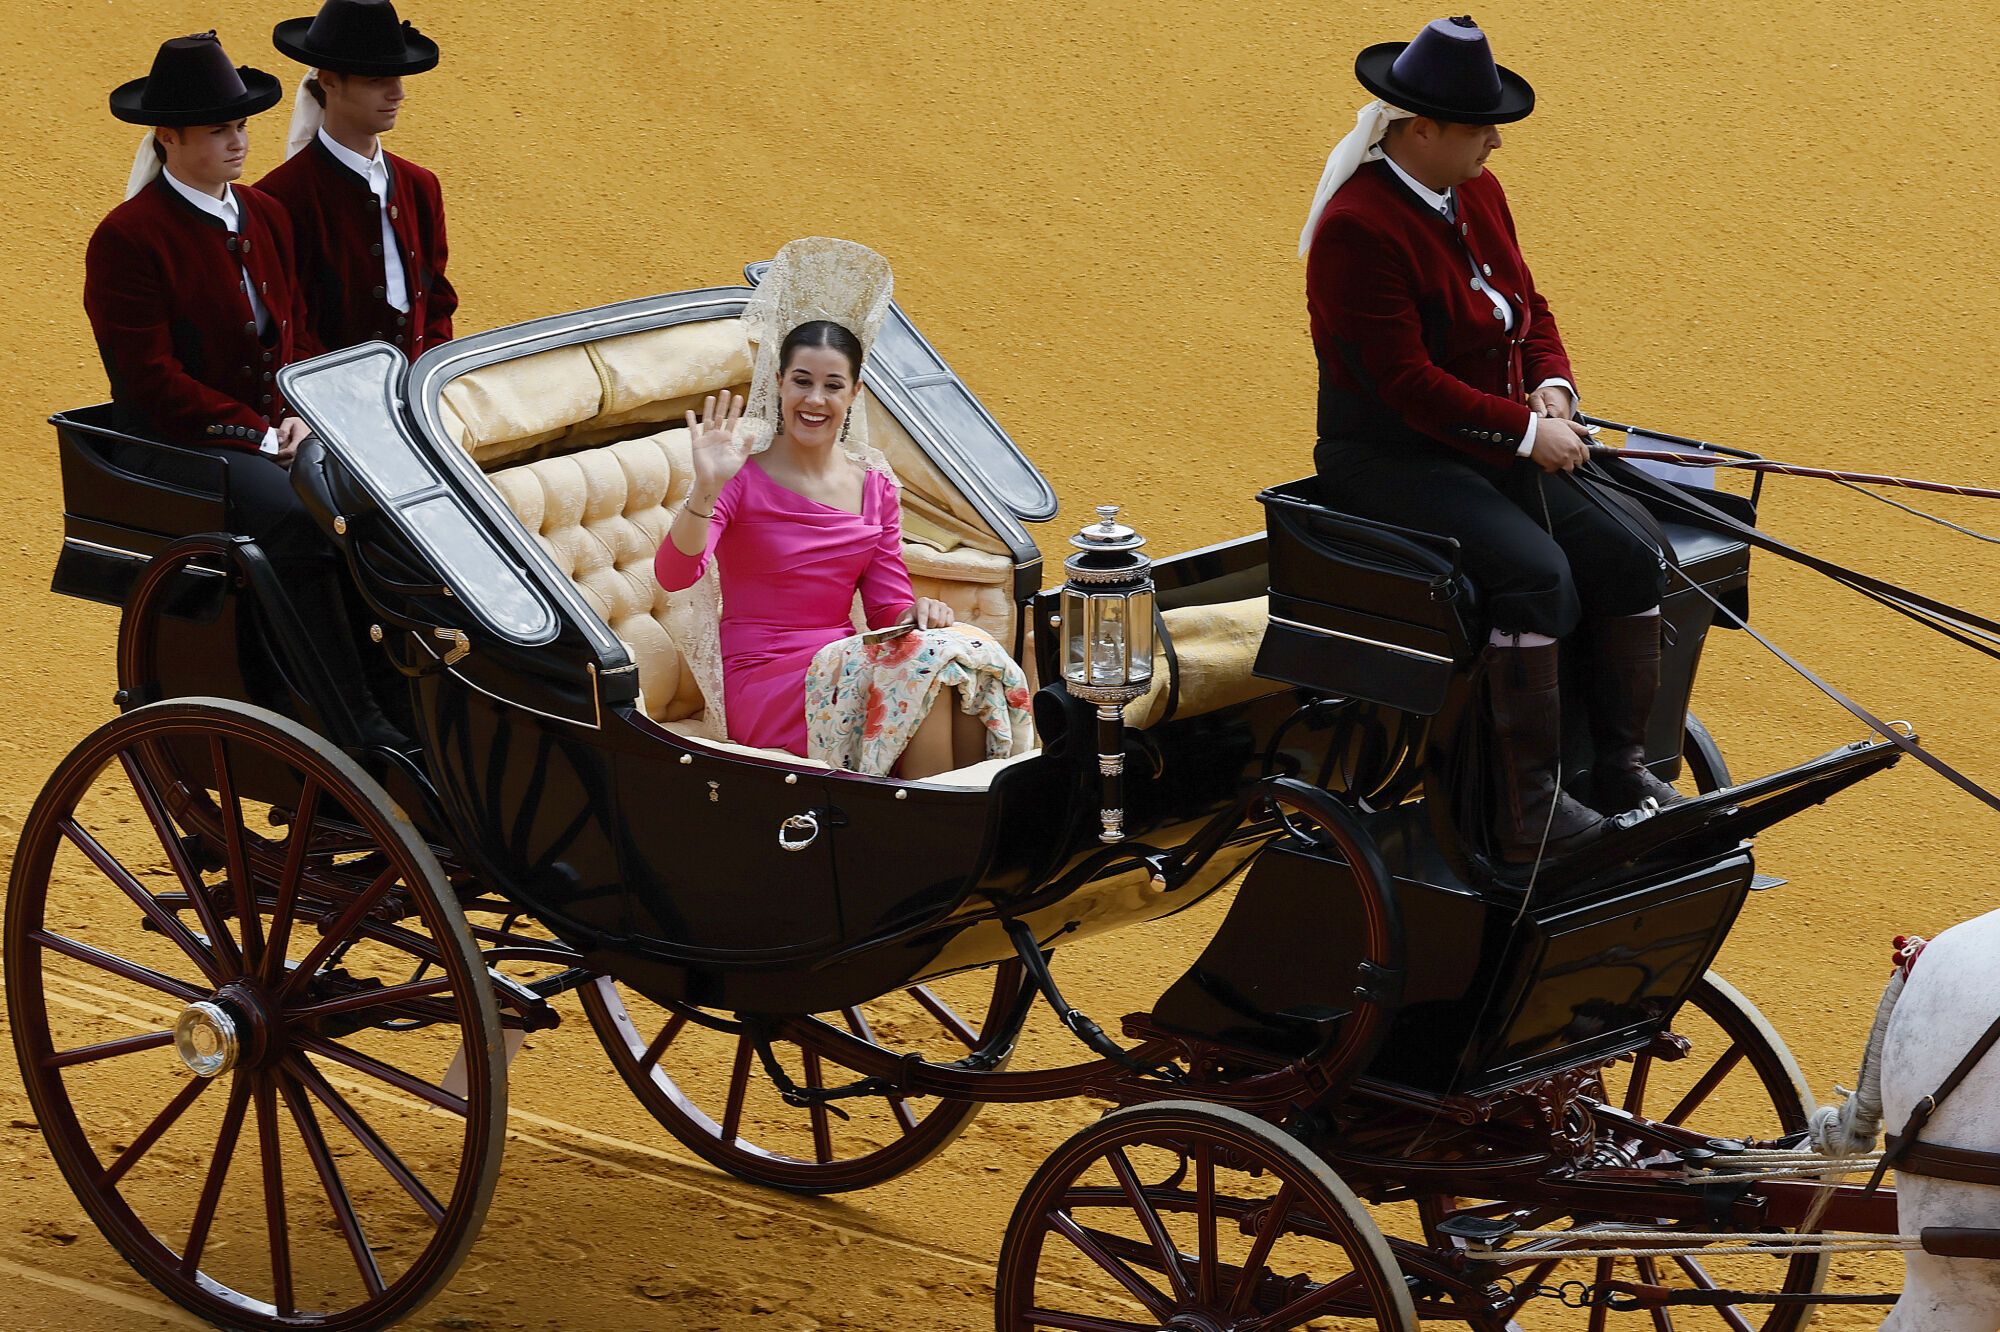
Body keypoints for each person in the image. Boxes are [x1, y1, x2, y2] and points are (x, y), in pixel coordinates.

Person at [1300, 16, 1677, 864]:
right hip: (1392, 459)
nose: (1496, 143)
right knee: (1536, 575)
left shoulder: (1479, 192)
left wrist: (1553, 385)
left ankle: (1619, 769)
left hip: (1491, 440)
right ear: (1419, 128)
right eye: (1479, 128)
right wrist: (1523, 434)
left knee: (1629, 548)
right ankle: (1528, 811)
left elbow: (1528, 309)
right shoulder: (1358, 228)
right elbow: (1407, 386)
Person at [86, 31, 405, 750]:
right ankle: (348, 721)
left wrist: (299, 415)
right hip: (175, 447)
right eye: (217, 129)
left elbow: (291, 339)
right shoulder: (128, 238)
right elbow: (151, 382)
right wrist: (260, 435)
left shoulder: (266, 215)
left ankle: (403, 696)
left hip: (274, 436)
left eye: (240, 125)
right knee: (300, 519)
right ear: (167, 138)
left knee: (376, 502)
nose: (237, 141)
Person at [655, 238, 1031, 779]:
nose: (814, 399)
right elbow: (673, 575)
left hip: (849, 665)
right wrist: (707, 488)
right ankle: (931, 829)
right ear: (779, 384)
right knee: (925, 669)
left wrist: (919, 617)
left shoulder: (876, 487)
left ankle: (967, 826)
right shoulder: (740, 474)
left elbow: (886, 611)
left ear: (853, 393)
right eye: (801, 381)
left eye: (832, 385)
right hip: (766, 681)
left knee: (964, 659)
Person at [258, 0, 455, 360]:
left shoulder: (420, 185)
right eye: (376, 80)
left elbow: (437, 301)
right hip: (324, 402)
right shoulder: (278, 198)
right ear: (329, 81)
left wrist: (429, 378)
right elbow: (290, 325)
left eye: (397, 77)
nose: (397, 93)